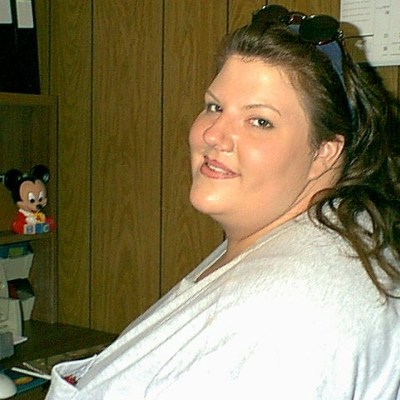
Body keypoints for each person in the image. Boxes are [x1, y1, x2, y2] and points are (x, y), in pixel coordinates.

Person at [46, 5, 400, 399]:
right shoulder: (312, 234)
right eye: (215, 107)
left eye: (259, 121)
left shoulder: (284, 312)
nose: (213, 135)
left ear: (324, 153)